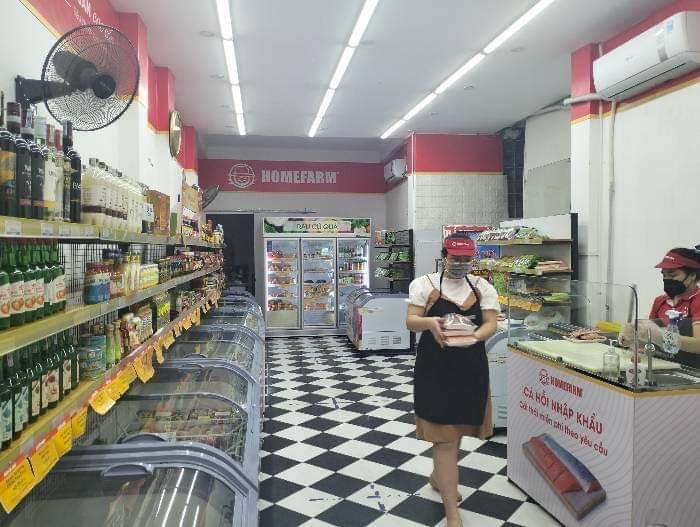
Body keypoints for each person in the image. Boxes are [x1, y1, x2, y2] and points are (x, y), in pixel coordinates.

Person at [405, 234, 499, 527]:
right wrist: (430, 323)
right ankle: (451, 511)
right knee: (444, 439)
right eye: (455, 258)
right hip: (435, 370)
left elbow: (491, 323)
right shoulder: (425, 285)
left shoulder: (482, 287)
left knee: (456, 431)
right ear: (444, 256)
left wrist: (473, 337)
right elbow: (411, 321)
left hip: (471, 369)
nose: (461, 264)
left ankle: (438, 478)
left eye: (466, 259)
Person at [639, 248, 700, 368]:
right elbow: (649, 337)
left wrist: (662, 336)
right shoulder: (660, 301)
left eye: (672, 275)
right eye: (664, 275)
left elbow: (698, 345)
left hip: (690, 371)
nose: (667, 279)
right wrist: (635, 340)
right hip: (661, 366)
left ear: (692, 275)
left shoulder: (697, 301)